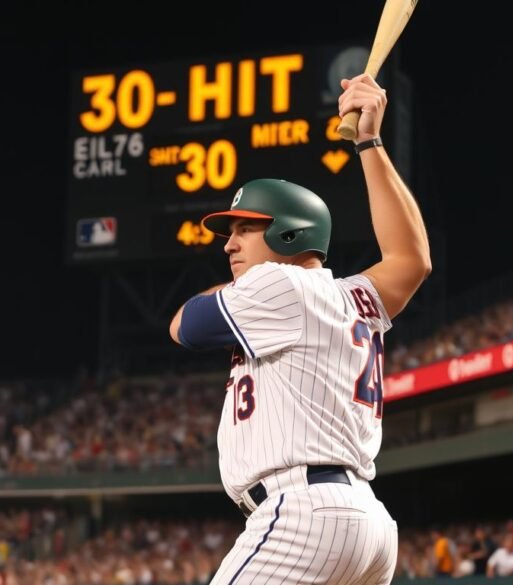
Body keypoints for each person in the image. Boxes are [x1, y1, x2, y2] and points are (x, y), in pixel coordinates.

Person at [168, 73, 432, 584]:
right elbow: (410, 258)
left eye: (245, 227)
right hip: (368, 524)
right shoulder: (352, 295)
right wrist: (370, 142)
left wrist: (231, 290)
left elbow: (185, 326)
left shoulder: (277, 285)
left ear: (290, 232)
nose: (229, 243)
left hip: (303, 514)